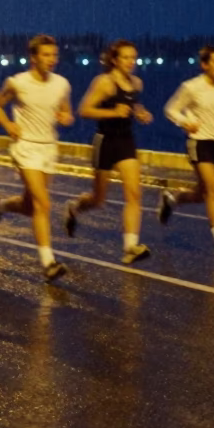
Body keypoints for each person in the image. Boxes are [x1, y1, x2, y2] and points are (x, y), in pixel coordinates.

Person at [0, 34, 75, 281]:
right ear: (33, 58)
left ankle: (0, 205)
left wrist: (66, 117)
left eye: (54, 55)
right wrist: (8, 125)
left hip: (49, 148)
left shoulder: (62, 84)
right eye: (46, 55)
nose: (52, 59)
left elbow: (67, 109)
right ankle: (49, 263)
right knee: (43, 204)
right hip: (25, 148)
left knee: (30, 205)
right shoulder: (17, 83)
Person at [64, 40, 153, 264]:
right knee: (98, 199)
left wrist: (141, 113)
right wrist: (113, 112)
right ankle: (74, 207)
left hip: (126, 141)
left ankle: (130, 247)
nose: (131, 62)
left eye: (133, 58)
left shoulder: (137, 83)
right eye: (125, 57)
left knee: (134, 194)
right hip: (105, 142)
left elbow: (132, 107)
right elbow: (84, 110)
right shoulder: (104, 82)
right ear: (114, 59)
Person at [159, 45, 214, 258]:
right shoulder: (191, 87)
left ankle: (173, 198)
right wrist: (185, 122)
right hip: (198, 143)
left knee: (201, 194)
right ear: (204, 65)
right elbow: (170, 109)